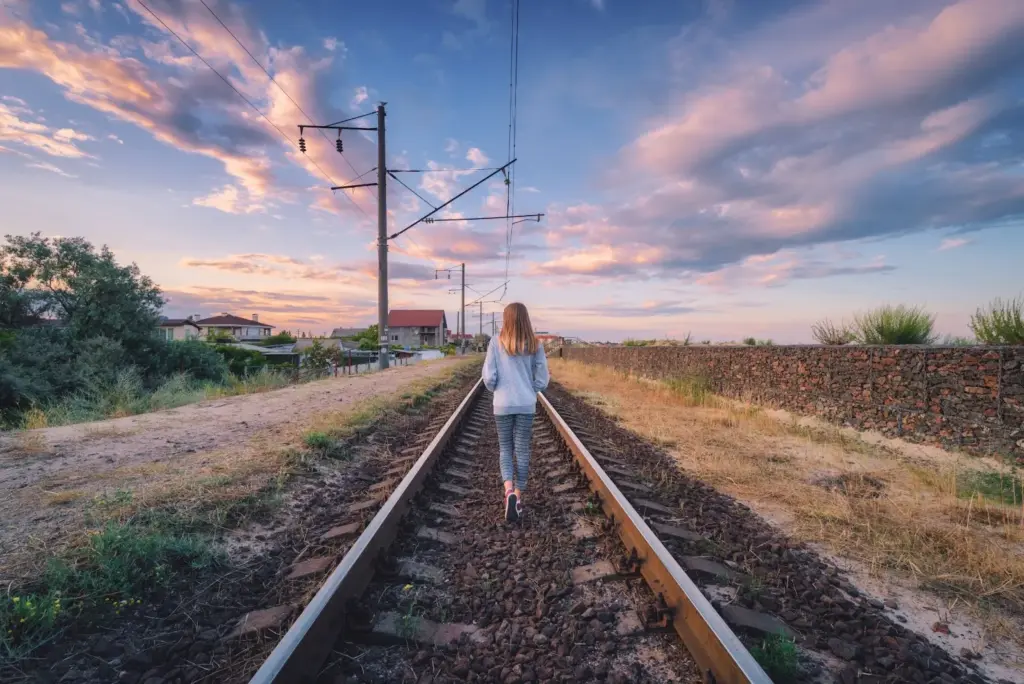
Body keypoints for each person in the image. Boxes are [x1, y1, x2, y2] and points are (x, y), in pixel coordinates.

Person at [482, 302, 550, 523]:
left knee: (505, 448)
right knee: (522, 449)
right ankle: (518, 497)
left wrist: (497, 390)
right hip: (525, 404)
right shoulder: (535, 344)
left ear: (506, 318)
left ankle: (508, 491)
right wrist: (531, 389)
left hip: (502, 404)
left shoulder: (495, 342)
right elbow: (543, 379)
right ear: (526, 319)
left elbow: (489, 377)